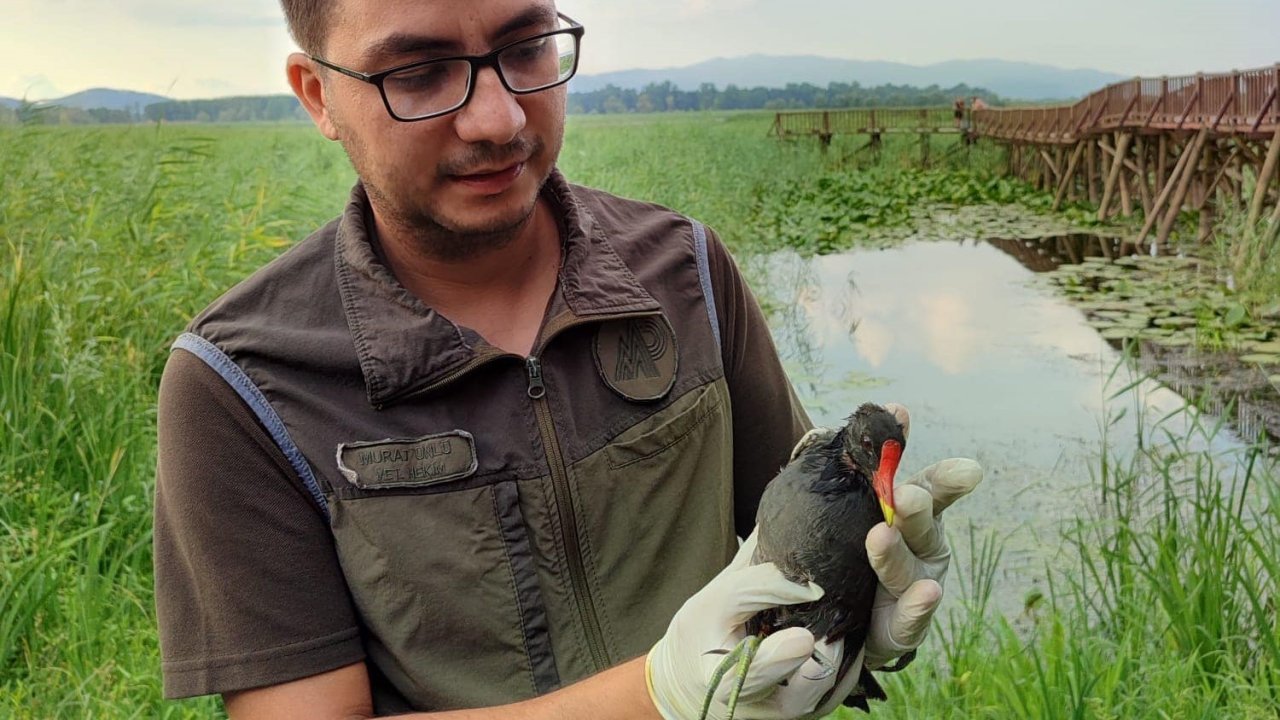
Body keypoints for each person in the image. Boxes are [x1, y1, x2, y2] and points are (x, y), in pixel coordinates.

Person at [152, 1, 984, 718]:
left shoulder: (687, 271)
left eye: (526, 50)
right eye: (420, 74)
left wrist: (863, 608)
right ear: (318, 95)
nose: (500, 119)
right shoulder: (241, 385)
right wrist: (655, 697)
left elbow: (793, 536)